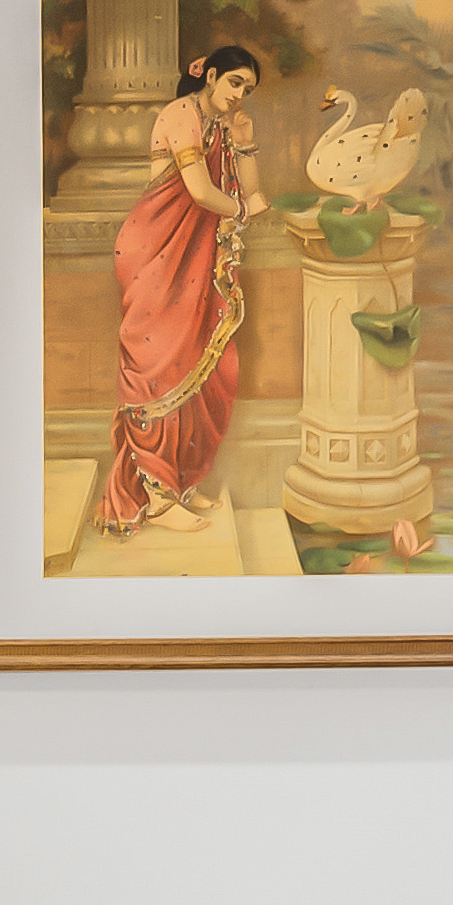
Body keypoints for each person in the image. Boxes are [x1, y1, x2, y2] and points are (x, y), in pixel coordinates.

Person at [90, 41, 269, 537]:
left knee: (204, 367)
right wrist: (242, 211)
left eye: (248, 90)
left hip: (195, 255)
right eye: (235, 83)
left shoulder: (220, 125)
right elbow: (201, 192)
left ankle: (176, 482)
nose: (240, 96)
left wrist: (246, 140)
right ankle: (153, 492)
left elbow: (250, 189)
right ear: (209, 75)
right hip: (156, 250)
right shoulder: (180, 113)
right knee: (159, 367)